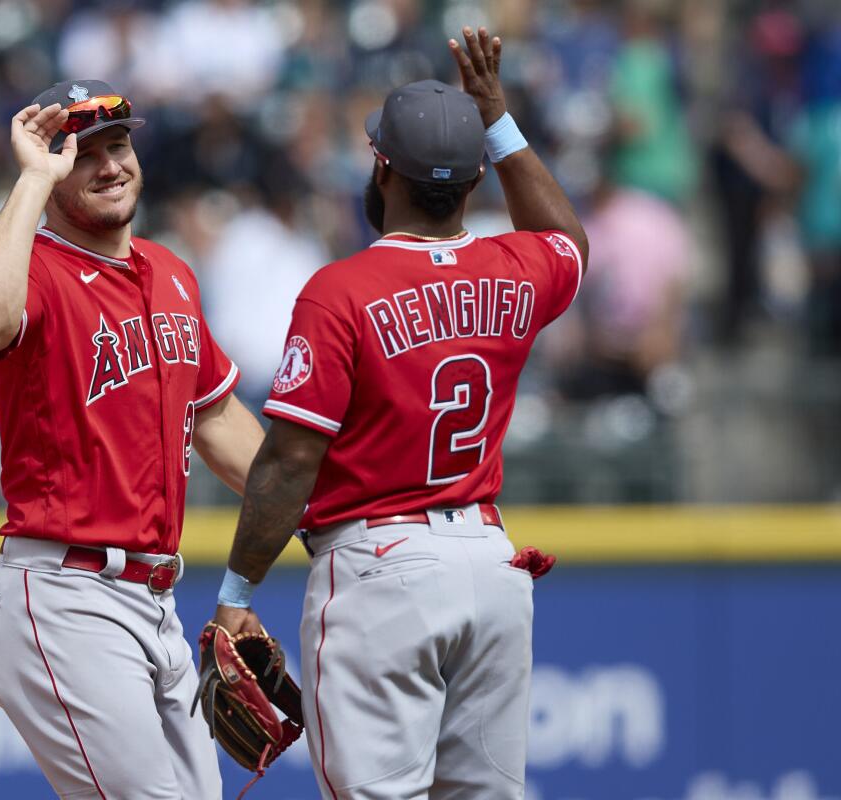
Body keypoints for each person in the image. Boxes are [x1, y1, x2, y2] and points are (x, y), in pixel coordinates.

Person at [210, 28, 588, 800]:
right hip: (491, 565)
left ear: (382, 167)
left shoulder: (340, 290)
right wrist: (498, 116)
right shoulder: (517, 268)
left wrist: (237, 595)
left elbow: (288, 460)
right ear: (477, 179)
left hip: (380, 569)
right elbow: (568, 240)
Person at [0, 80, 264, 799]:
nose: (108, 165)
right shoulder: (37, 272)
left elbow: (214, 417)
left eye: (117, 145)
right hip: (65, 592)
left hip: (155, 597)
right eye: (81, 154)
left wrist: (331, 507)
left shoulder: (171, 272)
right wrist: (33, 177)